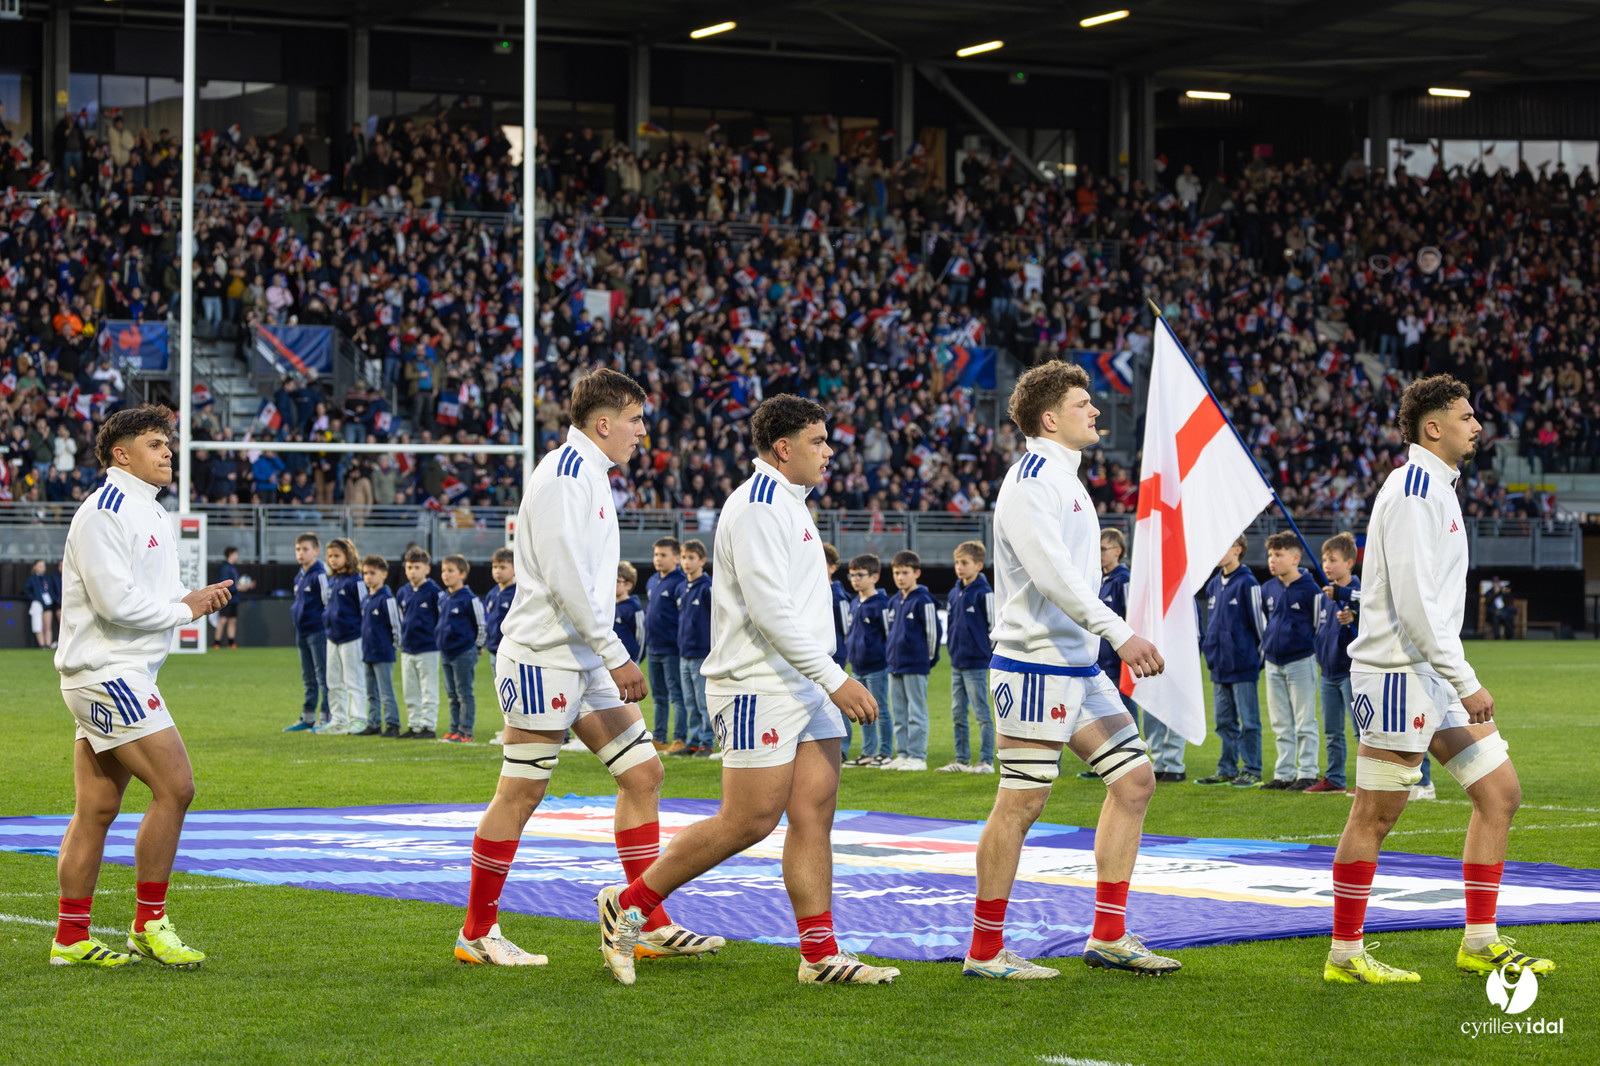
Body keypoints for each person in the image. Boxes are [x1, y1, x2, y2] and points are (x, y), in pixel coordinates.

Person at [597, 394, 895, 987]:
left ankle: (820, 955)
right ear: (783, 448)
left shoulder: (790, 502)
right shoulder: (759, 505)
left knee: (814, 813)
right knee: (749, 820)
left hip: (801, 683)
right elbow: (768, 612)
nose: (829, 450)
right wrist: (835, 677)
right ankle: (628, 904)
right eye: (818, 440)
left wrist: (823, 677)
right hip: (757, 684)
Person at [457, 369, 723, 969]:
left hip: (582, 658)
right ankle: (477, 931)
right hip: (544, 658)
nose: (642, 434)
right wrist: (617, 653)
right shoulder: (565, 476)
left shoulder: (592, 475)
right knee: (521, 792)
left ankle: (644, 920)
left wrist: (603, 654)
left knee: (645, 774)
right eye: (635, 421)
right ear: (602, 424)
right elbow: (565, 581)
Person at [1325, 374, 1553, 983]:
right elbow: (1415, 604)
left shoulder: (1439, 488)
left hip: (1429, 673)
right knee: (1375, 815)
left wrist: (1451, 677)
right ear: (1434, 426)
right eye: (1466, 416)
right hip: (1399, 674)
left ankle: (1479, 941)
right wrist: (1465, 678)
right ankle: (1345, 954)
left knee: (1500, 793)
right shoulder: (1414, 487)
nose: (1477, 426)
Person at [962, 360, 1175, 980]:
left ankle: (1108, 935)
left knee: (1134, 781)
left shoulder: (1064, 477)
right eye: (1084, 403)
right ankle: (984, 951)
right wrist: (1120, 632)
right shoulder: (1032, 478)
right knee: (1021, 803)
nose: (1097, 412)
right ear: (1050, 418)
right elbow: (1053, 576)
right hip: (1034, 665)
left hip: (1076, 666)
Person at [50, 404, 234, 967]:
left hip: (114, 672)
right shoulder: (104, 511)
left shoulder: (151, 511)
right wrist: (186, 608)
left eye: (168, 444)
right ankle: (149, 924)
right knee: (176, 787)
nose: (168, 453)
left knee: (97, 810)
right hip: (108, 673)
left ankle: (70, 938)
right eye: (156, 444)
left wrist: (190, 598)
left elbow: (160, 590)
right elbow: (114, 602)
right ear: (120, 454)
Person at [1195, 535, 1266, 787]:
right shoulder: (1214, 583)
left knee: (1249, 722)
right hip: (1219, 666)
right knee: (1224, 722)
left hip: (1243, 664)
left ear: (1238, 550)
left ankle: (1252, 769)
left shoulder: (1248, 583)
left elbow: (1260, 626)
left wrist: (1255, 659)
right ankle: (1226, 768)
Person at [1260, 532, 1322, 790]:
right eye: (1270, 555)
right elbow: (1266, 620)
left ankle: (1307, 772)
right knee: (1280, 721)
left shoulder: (1311, 589)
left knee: (1304, 720)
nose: (1272, 560)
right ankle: (1284, 773)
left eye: (1279, 554)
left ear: (1296, 557)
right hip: (1273, 662)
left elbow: (1318, 625)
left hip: (1300, 661)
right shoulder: (1268, 588)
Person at [1307, 533, 1361, 793]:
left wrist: (1353, 621)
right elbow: (1320, 629)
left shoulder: (1360, 593)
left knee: (1361, 730)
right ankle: (1335, 778)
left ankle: (1366, 781)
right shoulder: (1325, 595)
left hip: (1352, 673)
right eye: (1324, 560)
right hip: (1328, 671)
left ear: (1350, 562)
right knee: (1332, 731)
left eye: (1333, 560)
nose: (1326, 565)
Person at [941, 540, 995, 774]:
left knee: (981, 713)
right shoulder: (954, 592)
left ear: (979, 565)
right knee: (957, 713)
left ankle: (986, 761)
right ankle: (962, 760)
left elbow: (994, 629)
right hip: (956, 662)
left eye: (964, 563)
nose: (959, 567)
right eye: (957, 563)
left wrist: (986, 655)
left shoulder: (985, 594)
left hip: (976, 663)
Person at [884, 550, 940, 772]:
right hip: (894, 665)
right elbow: (890, 633)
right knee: (898, 712)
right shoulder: (894, 601)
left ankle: (918, 756)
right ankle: (903, 753)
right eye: (896, 573)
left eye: (905, 572)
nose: (900, 577)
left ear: (916, 573)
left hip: (916, 665)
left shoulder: (924, 600)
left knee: (916, 712)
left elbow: (933, 634)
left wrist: (926, 660)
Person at [844, 553, 893, 767]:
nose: (855, 579)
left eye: (860, 575)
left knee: (879, 708)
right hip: (858, 666)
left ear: (874, 577)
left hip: (877, 666)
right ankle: (867, 753)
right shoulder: (854, 603)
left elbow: (888, 634)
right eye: (852, 575)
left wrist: (884, 658)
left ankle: (885, 752)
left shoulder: (881, 604)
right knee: (863, 711)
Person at [644, 537, 689, 753]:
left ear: (676, 558)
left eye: (663, 555)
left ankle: (680, 737)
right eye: (656, 555)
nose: (658, 559)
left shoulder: (681, 582)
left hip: (672, 649)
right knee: (658, 697)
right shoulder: (653, 580)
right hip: (654, 649)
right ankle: (659, 738)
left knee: (676, 696)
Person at [283, 532, 330, 732]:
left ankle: (326, 716)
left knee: (322, 675)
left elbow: (327, 602)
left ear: (316, 551)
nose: (301, 553)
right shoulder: (299, 576)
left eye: (305, 549)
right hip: (302, 632)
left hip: (318, 631)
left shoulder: (320, 574)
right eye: (298, 549)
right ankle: (308, 717)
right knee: (308, 677)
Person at [437, 554, 486, 743]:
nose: (445, 575)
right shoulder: (443, 598)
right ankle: (453, 728)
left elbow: (481, 625)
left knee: (464, 693)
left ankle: (466, 730)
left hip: (463, 652)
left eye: (450, 571)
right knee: (451, 694)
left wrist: (477, 646)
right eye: (443, 571)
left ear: (463, 574)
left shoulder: (469, 599)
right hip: (446, 652)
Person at [320, 537, 366, 736]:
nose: (333, 560)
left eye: (337, 556)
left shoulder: (356, 581)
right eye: (330, 556)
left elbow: (364, 608)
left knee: (353, 680)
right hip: (332, 638)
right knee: (333, 681)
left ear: (349, 556)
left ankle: (359, 718)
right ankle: (338, 719)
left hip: (352, 637)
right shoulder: (333, 581)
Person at [397, 547, 443, 740]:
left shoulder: (434, 592)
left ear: (427, 569)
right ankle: (414, 725)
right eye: (409, 567)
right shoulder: (403, 592)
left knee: (428, 689)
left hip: (428, 648)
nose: (412, 571)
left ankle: (428, 726)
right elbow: (401, 618)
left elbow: (441, 619)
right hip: (407, 649)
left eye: (417, 567)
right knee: (410, 690)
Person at [676, 539, 715, 757]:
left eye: (691, 558)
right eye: (683, 557)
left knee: (702, 701)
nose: (686, 562)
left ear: (702, 560)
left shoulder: (708, 588)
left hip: (702, 654)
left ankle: (707, 742)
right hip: (684, 653)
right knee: (689, 701)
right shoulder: (682, 587)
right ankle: (692, 740)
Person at [359, 554, 403, 738]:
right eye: (365, 573)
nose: (368, 577)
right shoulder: (366, 599)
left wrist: (392, 646)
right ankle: (374, 723)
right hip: (368, 651)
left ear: (384, 574)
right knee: (371, 691)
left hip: (383, 652)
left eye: (372, 573)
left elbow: (396, 626)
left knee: (385, 691)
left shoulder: (387, 599)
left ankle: (392, 724)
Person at [824, 544, 856, 762]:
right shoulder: (810, 591)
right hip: (814, 658)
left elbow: (847, 629)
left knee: (837, 702)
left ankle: (842, 748)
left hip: (834, 657)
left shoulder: (838, 596)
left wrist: (844, 652)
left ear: (833, 567)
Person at [614, 562, 645, 663]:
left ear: (628, 585)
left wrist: (636, 660)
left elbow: (640, 637)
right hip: (611, 660)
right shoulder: (608, 605)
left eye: (617, 581)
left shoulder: (634, 608)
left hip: (629, 661)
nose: (613, 584)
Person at [26, 559, 60, 650]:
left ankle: (48, 644)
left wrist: (51, 599)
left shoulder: (47, 579)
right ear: (35, 567)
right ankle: (42, 645)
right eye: (40, 566)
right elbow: (27, 591)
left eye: (43, 566)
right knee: (38, 625)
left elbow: (52, 591)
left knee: (47, 625)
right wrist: (36, 598)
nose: (42, 568)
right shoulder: (32, 579)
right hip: (38, 604)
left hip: (47, 605)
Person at [214, 547, 241, 649]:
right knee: (223, 620)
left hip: (234, 598)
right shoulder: (225, 567)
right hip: (226, 598)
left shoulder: (233, 567)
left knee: (232, 620)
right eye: (236, 553)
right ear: (231, 554)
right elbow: (224, 584)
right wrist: (237, 587)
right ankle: (217, 643)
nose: (237, 556)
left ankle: (231, 643)